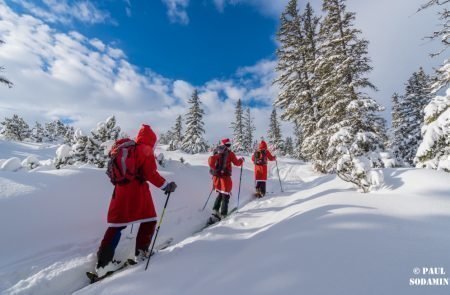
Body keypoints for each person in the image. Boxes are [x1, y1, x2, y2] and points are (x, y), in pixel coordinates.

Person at [95, 124, 177, 277]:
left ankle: (103, 263)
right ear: (151, 140)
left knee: (117, 224)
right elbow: (150, 174)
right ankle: (142, 252)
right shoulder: (144, 151)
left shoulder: (128, 149)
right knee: (150, 220)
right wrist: (166, 185)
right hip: (137, 192)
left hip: (120, 191)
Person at [208, 138, 244, 224]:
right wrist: (241, 160)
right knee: (225, 195)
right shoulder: (230, 153)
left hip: (216, 177)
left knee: (220, 194)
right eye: (228, 145)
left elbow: (211, 162)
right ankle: (223, 214)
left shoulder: (216, 151)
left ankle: (215, 211)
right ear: (226, 145)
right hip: (225, 178)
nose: (229, 146)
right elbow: (236, 163)